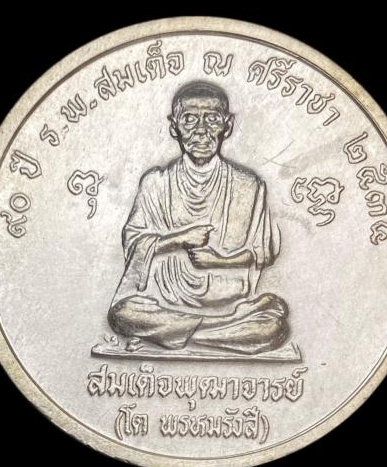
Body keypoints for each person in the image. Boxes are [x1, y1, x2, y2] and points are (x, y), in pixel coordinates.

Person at [108, 81, 290, 355]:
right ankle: (225, 335)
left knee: (272, 324)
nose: (201, 130)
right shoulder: (155, 183)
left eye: (212, 119)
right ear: (174, 127)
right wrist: (178, 239)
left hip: (230, 304)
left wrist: (219, 261)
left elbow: (261, 254)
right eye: (190, 119)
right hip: (165, 302)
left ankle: (173, 336)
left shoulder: (248, 184)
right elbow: (134, 242)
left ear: (227, 126)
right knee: (124, 314)